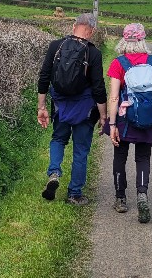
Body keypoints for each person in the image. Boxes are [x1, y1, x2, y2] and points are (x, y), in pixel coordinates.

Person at [37, 13, 107, 205]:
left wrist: (42, 106)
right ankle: (74, 194)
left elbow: (44, 77)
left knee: (58, 139)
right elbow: (98, 87)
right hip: (85, 108)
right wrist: (103, 116)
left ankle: (54, 172)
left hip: (60, 105)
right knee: (80, 150)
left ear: (74, 26)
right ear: (92, 31)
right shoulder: (93, 53)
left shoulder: (55, 46)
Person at [107, 22, 152, 222]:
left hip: (124, 120)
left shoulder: (119, 63)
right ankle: (142, 195)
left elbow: (114, 97)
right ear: (143, 40)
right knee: (143, 158)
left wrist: (112, 125)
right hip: (148, 119)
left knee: (120, 157)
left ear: (124, 40)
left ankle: (120, 198)